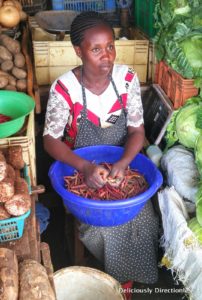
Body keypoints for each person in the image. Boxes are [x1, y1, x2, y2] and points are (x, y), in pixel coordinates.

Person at [43, 11, 159, 286]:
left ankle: (132, 279)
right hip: (80, 169)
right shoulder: (65, 88)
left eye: (110, 46)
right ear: (78, 51)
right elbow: (50, 139)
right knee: (103, 227)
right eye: (96, 49)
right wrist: (84, 167)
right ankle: (115, 281)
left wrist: (122, 164)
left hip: (121, 164)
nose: (106, 56)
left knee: (146, 218)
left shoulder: (126, 79)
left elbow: (136, 131)